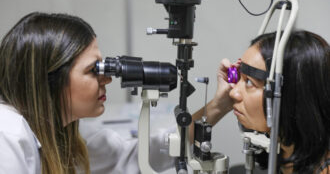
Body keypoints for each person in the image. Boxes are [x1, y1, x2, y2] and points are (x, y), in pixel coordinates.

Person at [0, 12, 231, 174]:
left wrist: (219, 105)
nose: (108, 78)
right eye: (94, 70)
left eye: (105, 66)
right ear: (48, 80)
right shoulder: (7, 139)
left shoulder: (66, 137)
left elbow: (140, 155)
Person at [216, 30, 330, 173]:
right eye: (238, 76)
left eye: (249, 82)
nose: (233, 92)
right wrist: (218, 104)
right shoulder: (284, 154)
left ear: (292, 95)